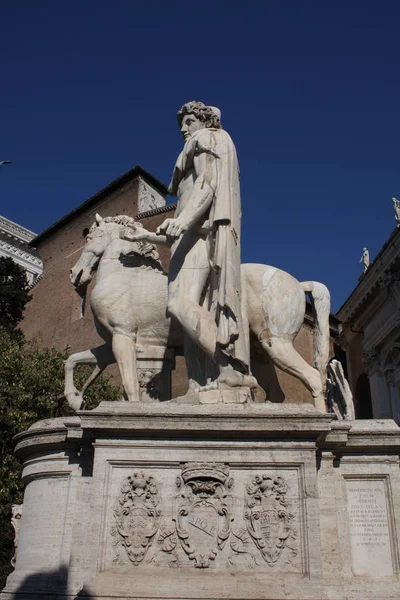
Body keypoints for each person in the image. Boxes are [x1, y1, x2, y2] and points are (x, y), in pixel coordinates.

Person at [125, 101, 255, 392]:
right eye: (182, 123)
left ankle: (230, 369)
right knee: (193, 312)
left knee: (178, 303)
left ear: (204, 121)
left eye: (190, 120)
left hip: (198, 235)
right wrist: (144, 237)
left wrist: (182, 221)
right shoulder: (194, 153)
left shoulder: (204, 139)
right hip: (191, 236)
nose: (184, 129)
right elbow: (174, 233)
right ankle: (201, 383)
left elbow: (208, 185)